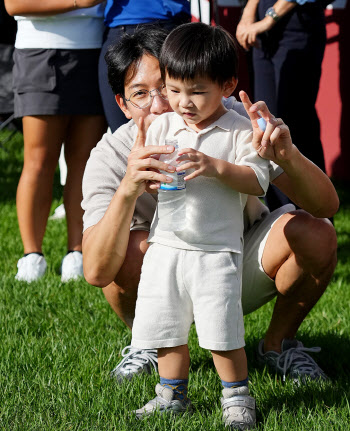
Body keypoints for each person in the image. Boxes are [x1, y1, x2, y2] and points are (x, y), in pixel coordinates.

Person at [81, 26, 338, 388]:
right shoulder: (111, 154)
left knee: (317, 234)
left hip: (231, 262)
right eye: (141, 94)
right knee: (121, 244)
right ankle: (150, 343)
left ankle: (278, 345)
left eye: (167, 86)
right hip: (159, 279)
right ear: (122, 104)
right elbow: (95, 270)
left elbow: (326, 205)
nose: (161, 105)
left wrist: (287, 155)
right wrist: (128, 188)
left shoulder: (230, 119)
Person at [129, 22, 271, 429]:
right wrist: (150, 178)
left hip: (215, 248)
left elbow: (257, 179)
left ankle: (236, 395)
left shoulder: (240, 130)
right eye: (174, 90)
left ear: (227, 86)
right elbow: (150, 177)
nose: (183, 102)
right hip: (167, 245)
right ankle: (171, 394)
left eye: (196, 91)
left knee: (222, 329)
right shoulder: (162, 125)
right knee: (166, 324)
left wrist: (213, 166)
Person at [5, 0, 107, 282]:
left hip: (95, 49)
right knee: (38, 161)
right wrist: (79, 2)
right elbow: (13, 4)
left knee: (84, 161)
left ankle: (77, 252)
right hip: (38, 51)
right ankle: (31, 255)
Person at [236, 0, 327, 211]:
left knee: (296, 127)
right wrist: (249, 14)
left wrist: (269, 19)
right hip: (262, 33)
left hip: (297, 25)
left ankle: (317, 219)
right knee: (267, 126)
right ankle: (280, 216)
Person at [98, 0, 190, 133]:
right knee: (125, 136)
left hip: (173, 25)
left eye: (166, 87)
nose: (158, 106)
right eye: (140, 93)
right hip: (122, 28)